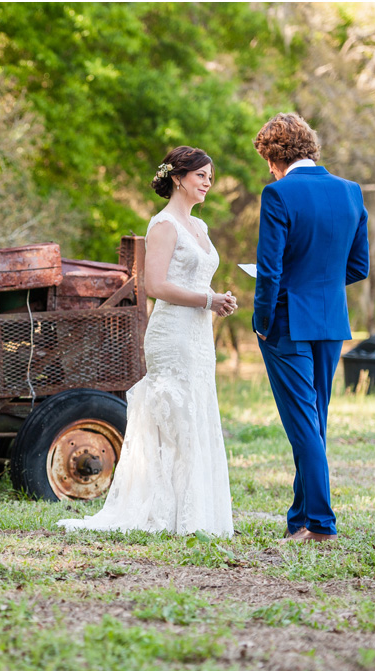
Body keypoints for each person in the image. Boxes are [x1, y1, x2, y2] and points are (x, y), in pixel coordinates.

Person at [57, 146, 236, 537]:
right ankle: (164, 511)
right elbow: (155, 285)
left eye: (210, 176)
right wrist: (208, 299)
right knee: (176, 414)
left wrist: (216, 300)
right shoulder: (164, 225)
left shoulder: (200, 228)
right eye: (201, 175)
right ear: (178, 177)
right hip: (172, 333)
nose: (208, 182)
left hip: (199, 332)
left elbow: (194, 279)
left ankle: (195, 512)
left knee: (197, 408)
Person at [251, 113, 370, 542]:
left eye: (267, 158)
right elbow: (358, 266)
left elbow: (269, 270)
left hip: (285, 322)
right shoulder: (351, 192)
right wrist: (319, 282)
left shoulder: (278, 194)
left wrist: (261, 322)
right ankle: (300, 519)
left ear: (274, 155)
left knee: (304, 425)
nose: (267, 167)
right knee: (314, 421)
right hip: (331, 320)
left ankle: (321, 525)